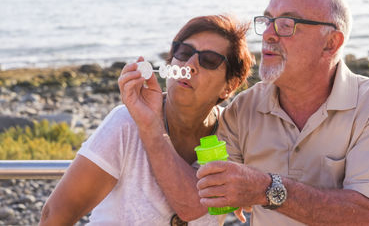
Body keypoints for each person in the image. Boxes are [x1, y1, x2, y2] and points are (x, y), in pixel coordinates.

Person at [195, 0, 369, 225]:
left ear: (331, 43)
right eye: (268, 21)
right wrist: (155, 122)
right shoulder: (244, 107)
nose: (268, 34)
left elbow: (362, 213)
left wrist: (264, 188)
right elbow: (202, 197)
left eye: (286, 25)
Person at [38, 14, 253, 226]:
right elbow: (55, 215)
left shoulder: (233, 135)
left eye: (209, 60)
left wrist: (248, 191)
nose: (189, 65)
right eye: (184, 52)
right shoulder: (127, 123)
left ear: (230, 86)